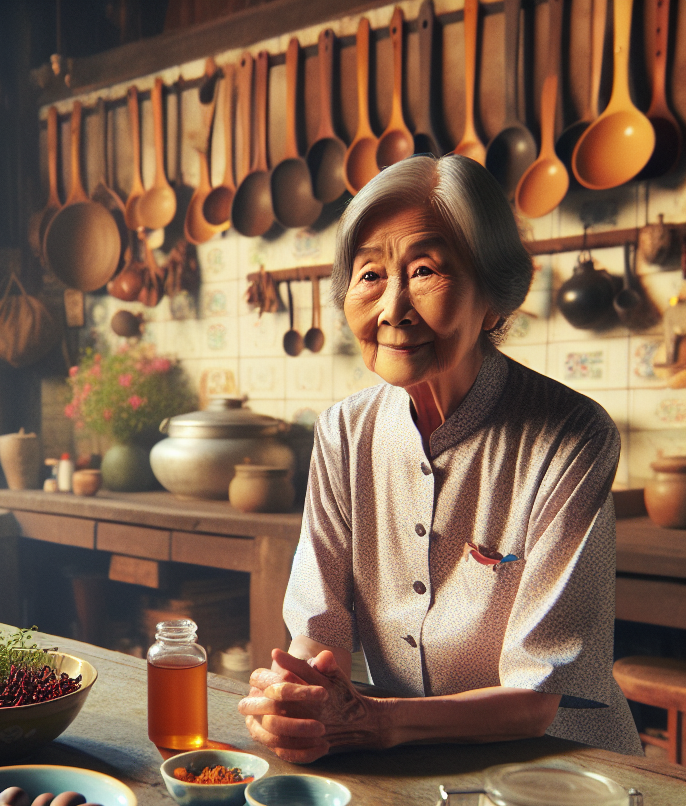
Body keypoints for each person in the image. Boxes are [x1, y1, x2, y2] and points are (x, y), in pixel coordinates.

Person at [238, 154, 642, 762]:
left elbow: (537, 698)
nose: (392, 309)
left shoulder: (571, 436)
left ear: (494, 298)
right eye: (370, 275)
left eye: (424, 270)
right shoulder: (343, 432)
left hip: (562, 771)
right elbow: (320, 633)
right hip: (411, 764)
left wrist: (374, 722)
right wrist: (301, 704)